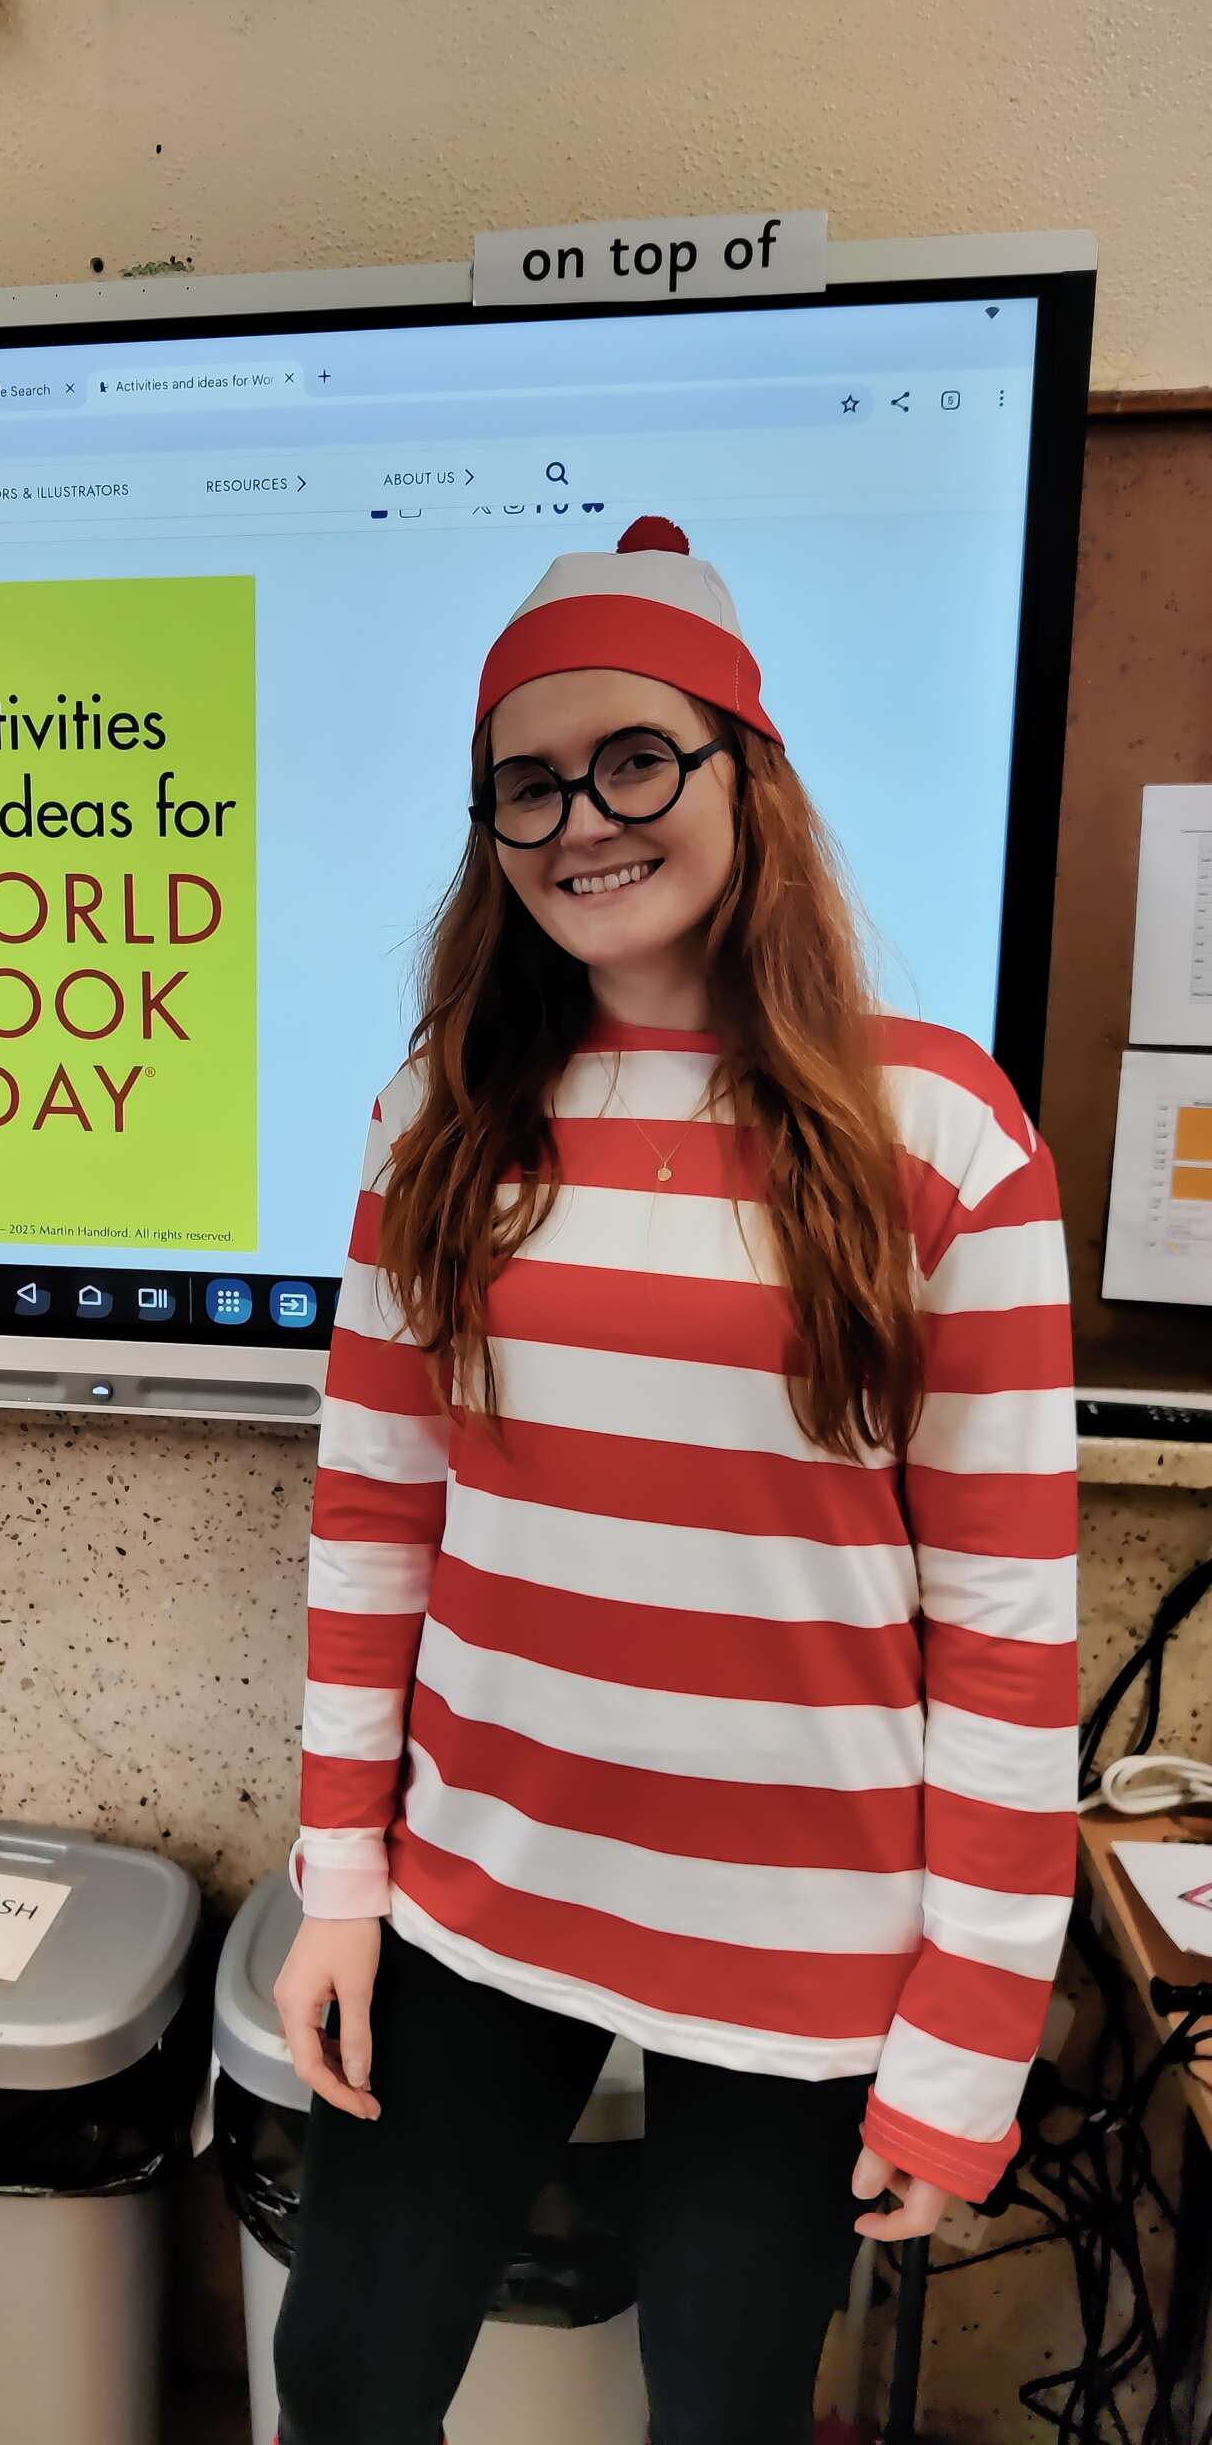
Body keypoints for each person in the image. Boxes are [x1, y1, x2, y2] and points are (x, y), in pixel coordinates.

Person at [271, 517, 1078, 2445]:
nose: (583, 822)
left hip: (809, 1939)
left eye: (636, 759)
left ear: (745, 773)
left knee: (723, 2410)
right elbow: (375, 1522)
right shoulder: (437, 1115)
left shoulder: (936, 1131)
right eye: (529, 784)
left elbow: (1005, 1625)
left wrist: (970, 2030)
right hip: (479, 1889)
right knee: (346, 2377)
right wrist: (340, 1882)